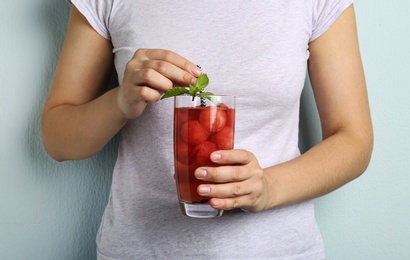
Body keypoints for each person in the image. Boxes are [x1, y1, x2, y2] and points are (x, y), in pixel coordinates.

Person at [42, 1, 373, 259]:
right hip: (142, 250)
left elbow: (353, 140)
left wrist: (268, 188)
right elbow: (58, 139)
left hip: (277, 250)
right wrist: (119, 103)